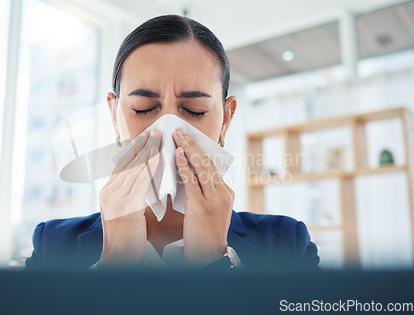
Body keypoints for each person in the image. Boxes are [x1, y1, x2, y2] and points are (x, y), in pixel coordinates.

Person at [25, 15, 320, 271]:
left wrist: (214, 265)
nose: (168, 130)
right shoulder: (52, 245)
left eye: (194, 110)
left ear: (226, 120)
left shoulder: (286, 243)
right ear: (115, 118)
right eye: (142, 108)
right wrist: (114, 268)